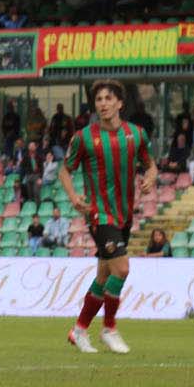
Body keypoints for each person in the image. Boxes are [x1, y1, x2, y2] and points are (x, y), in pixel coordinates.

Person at [58, 79, 157, 356]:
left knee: (103, 276)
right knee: (121, 269)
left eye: (108, 98)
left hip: (124, 215)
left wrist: (150, 178)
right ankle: (109, 328)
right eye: (99, 99)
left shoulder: (136, 134)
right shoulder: (84, 137)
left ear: (119, 103)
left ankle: (79, 330)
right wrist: (74, 196)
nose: (103, 104)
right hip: (99, 215)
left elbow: (151, 165)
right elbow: (65, 171)